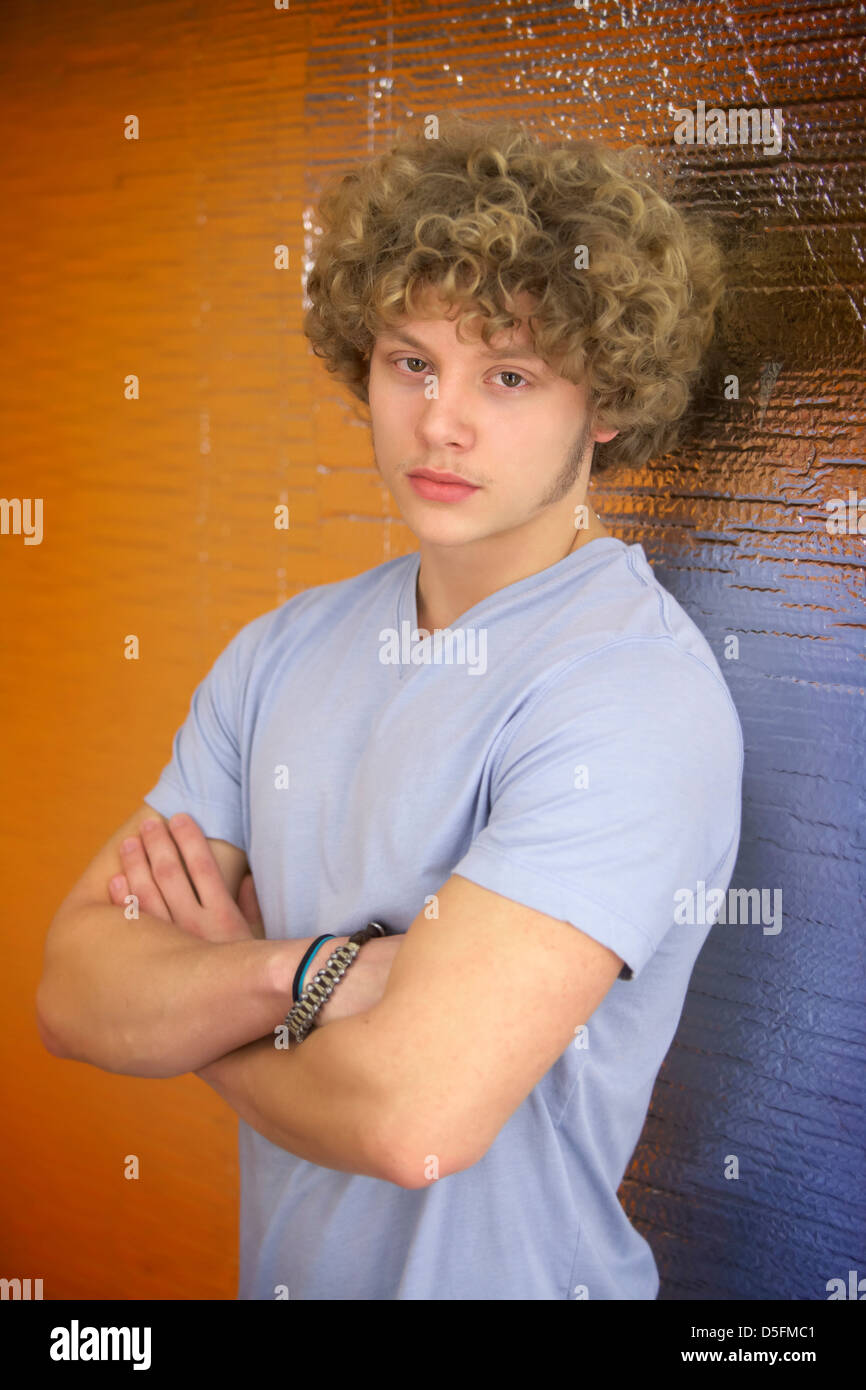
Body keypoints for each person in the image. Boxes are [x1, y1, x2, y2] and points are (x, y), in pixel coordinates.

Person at [39, 112, 743, 1300]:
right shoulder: (279, 651)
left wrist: (203, 996)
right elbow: (73, 986)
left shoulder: (628, 696)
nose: (439, 422)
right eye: (409, 360)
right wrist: (298, 976)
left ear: (606, 402)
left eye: (506, 375)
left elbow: (410, 1122)